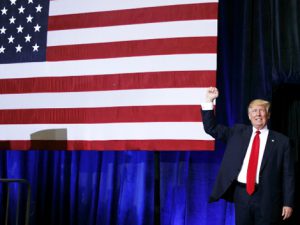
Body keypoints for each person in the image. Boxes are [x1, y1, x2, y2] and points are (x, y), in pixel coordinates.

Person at [201, 87, 295, 225]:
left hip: (268, 196)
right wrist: (209, 101)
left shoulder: (282, 142)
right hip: (242, 194)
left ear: (268, 115)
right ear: (249, 115)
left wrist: (288, 202)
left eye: (262, 110)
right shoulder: (237, 132)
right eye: (254, 111)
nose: (258, 114)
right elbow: (211, 128)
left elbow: (288, 175)